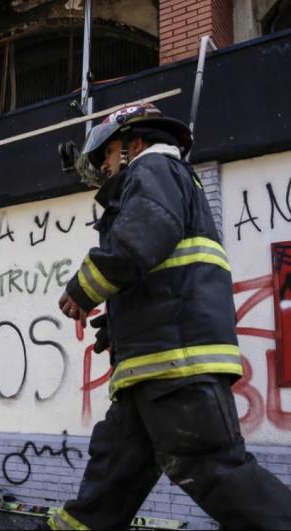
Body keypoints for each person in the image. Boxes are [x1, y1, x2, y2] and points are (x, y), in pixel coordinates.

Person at [47, 103, 291, 530]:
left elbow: (141, 238)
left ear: (134, 144)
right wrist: (118, 324)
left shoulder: (153, 168)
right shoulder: (165, 179)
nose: (104, 167)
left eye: (106, 155)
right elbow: (162, 271)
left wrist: (83, 289)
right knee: (113, 480)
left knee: (213, 468)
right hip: (154, 368)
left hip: (177, 365)